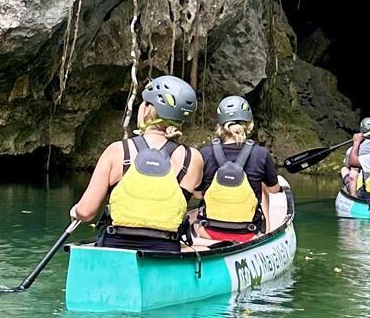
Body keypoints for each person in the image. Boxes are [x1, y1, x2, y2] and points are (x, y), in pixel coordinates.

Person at [70, 75, 204, 253]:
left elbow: (86, 212)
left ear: (148, 109)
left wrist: (76, 211)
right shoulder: (192, 158)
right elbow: (196, 194)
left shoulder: (117, 151)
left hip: (115, 247)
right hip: (165, 249)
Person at [196, 95, 281, 242]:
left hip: (209, 231)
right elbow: (274, 190)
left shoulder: (205, 153)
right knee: (263, 190)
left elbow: (198, 194)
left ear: (220, 126)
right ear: (249, 125)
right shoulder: (261, 154)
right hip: (248, 233)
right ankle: (266, 233)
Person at [344, 116, 370, 196]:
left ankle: (351, 193)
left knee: (344, 169)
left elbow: (352, 176)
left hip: (363, 189)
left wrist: (353, 197)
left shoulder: (352, 151)